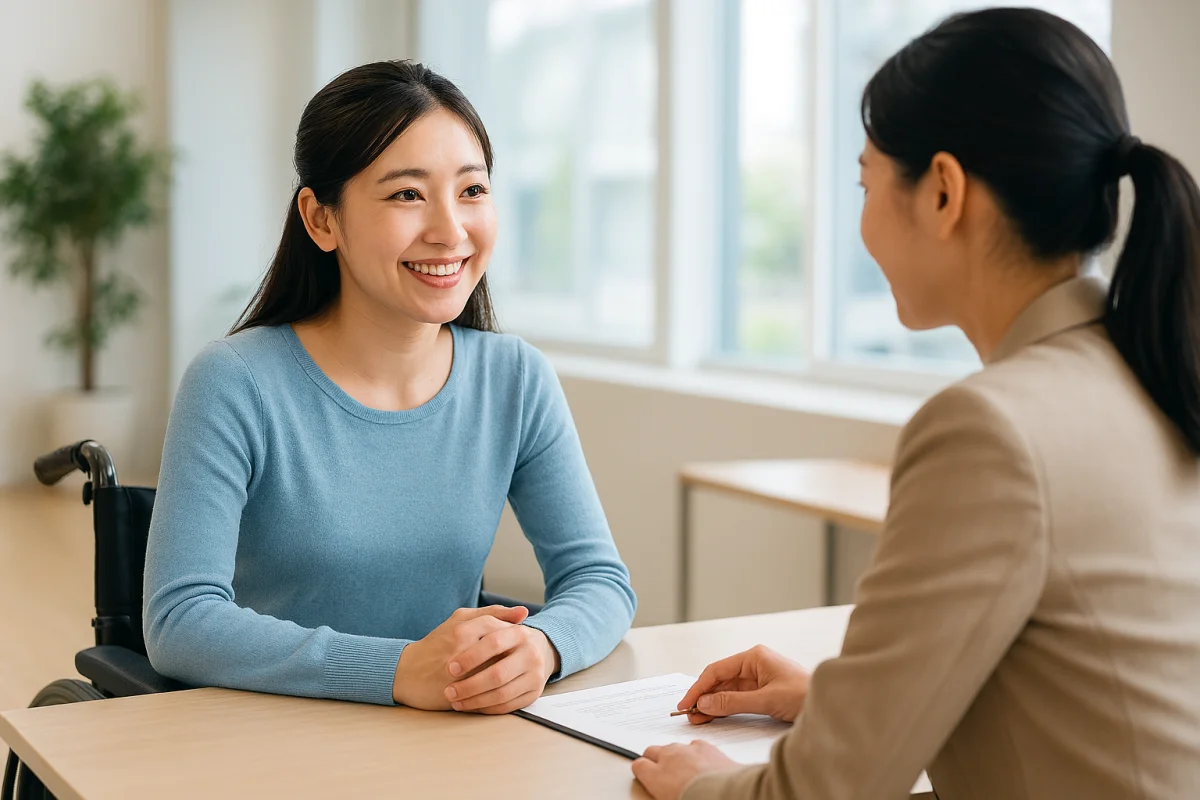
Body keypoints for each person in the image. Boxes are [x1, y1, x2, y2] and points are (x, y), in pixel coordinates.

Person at [634, 7, 1200, 799]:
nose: (862, 220)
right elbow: (1078, 694)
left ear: (942, 192)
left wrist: (701, 784)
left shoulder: (992, 431)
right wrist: (836, 701)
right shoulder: (1155, 370)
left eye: (866, 183)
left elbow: (825, 792)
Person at [142, 61, 636, 714]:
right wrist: (397, 669)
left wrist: (542, 647)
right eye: (407, 194)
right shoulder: (235, 382)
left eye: (472, 190)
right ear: (322, 220)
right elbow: (180, 620)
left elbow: (600, 581)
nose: (450, 230)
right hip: (270, 735)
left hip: (445, 736)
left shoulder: (515, 379)